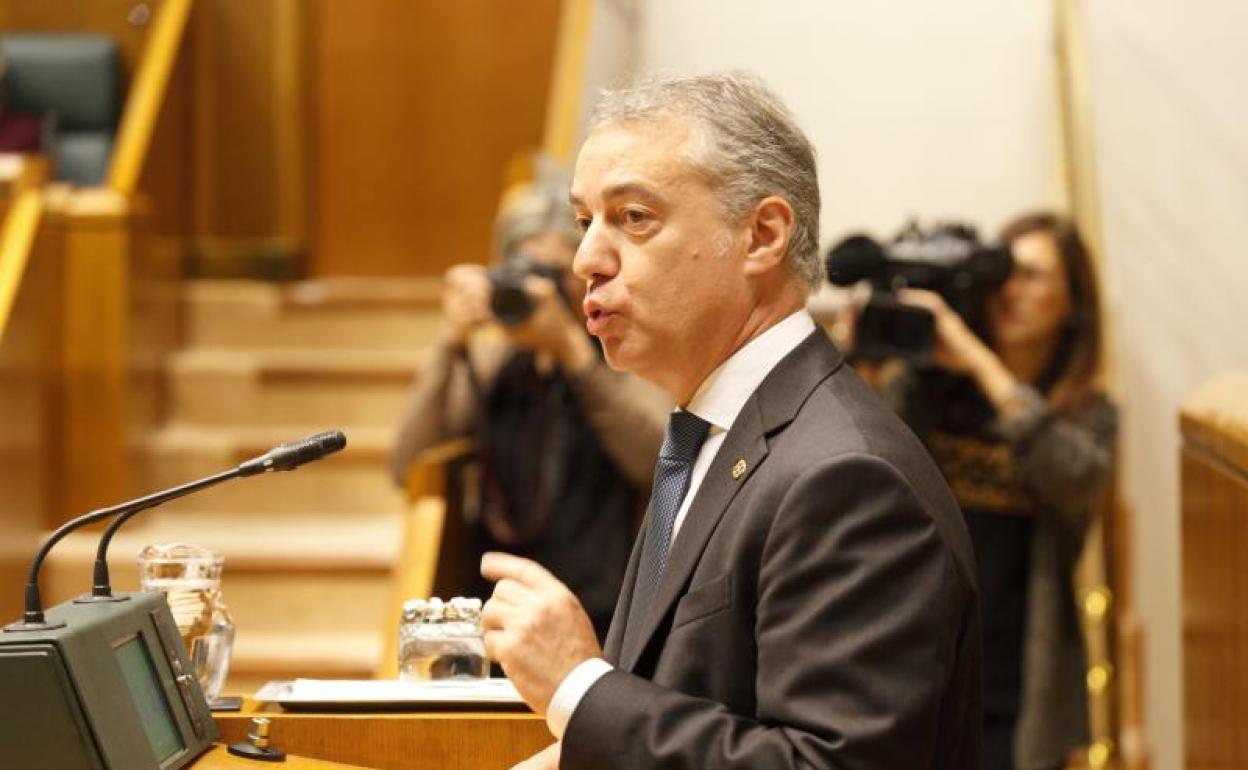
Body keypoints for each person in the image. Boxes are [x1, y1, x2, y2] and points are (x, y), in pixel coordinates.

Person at [479, 72, 982, 770]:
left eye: (633, 217)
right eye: (584, 221)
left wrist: (580, 686)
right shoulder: (706, 433)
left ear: (763, 235)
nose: (588, 259)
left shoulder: (847, 477)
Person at [886, 213, 1117, 769]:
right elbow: (873, 464)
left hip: (1021, 676)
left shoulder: (1089, 413)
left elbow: (1077, 478)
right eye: (1004, 273)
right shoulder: (934, 393)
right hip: (924, 664)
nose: (1011, 290)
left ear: (1072, 301)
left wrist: (982, 364)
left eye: (1033, 276)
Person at [390, 182, 669, 640]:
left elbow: (656, 460)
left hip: (605, 617)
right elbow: (410, 467)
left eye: (553, 271)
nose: (537, 290)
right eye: (520, 271)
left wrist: (573, 353)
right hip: (496, 612)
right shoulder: (493, 366)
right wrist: (451, 343)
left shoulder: (624, 359)